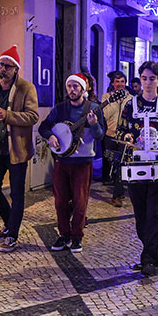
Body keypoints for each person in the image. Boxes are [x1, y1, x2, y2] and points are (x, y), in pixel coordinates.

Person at [116, 62, 158, 276]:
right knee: (141, 216)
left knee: (154, 214)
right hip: (136, 166)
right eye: (144, 78)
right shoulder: (130, 105)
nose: (147, 83)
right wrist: (126, 136)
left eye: (152, 78)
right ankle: (153, 255)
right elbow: (120, 130)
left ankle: (147, 259)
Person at [0, 45, 40, 253]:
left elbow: (33, 116)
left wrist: (7, 116)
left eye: (7, 66)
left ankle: (12, 235)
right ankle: (9, 223)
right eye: (1, 65)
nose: (3, 69)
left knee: (17, 194)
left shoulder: (27, 88)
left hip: (16, 149)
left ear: (16, 69)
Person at [40, 74, 106, 253]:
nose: (72, 90)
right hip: (62, 160)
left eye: (75, 86)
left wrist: (94, 124)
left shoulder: (93, 108)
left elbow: (100, 136)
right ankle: (64, 235)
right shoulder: (60, 108)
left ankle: (77, 237)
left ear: (83, 89)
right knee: (60, 201)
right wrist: (50, 136)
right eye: (69, 86)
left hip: (83, 161)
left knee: (80, 201)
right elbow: (43, 127)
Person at [102, 70, 131, 207]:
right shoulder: (106, 97)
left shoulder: (131, 98)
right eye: (117, 81)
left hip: (124, 137)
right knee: (112, 164)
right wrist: (114, 101)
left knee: (121, 164)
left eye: (122, 81)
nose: (120, 84)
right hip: (110, 134)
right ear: (113, 83)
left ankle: (116, 195)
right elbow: (105, 115)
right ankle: (118, 189)